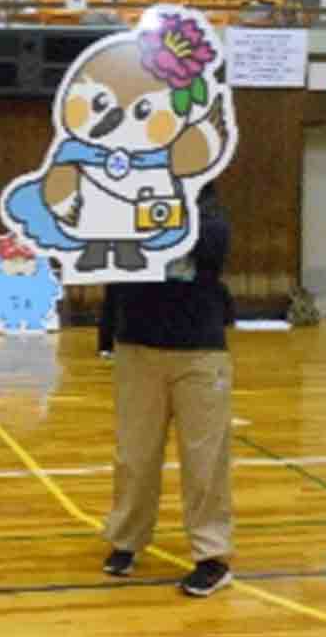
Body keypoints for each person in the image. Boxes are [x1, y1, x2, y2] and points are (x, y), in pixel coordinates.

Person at [101, 182, 236, 597]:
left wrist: (160, 216)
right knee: (134, 453)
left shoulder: (206, 205)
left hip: (199, 348)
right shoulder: (125, 195)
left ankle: (212, 556)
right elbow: (111, 265)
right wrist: (107, 334)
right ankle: (126, 540)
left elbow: (214, 246)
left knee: (205, 458)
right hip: (137, 343)